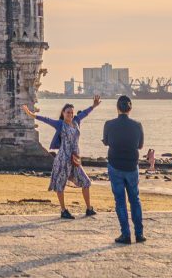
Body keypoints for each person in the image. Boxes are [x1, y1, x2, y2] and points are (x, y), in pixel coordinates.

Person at [23, 95, 101, 219]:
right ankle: (63, 210)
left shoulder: (76, 121)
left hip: (75, 159)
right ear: (63, 113)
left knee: (86, 182)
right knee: (60, 184)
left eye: (71, 112)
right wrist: (31, 114)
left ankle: (89, 209)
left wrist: (94, 105)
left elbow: (85, 113)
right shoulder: (60, 124)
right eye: (67, 112)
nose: (70, 114)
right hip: (63, 159)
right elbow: (46, 119)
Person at [102, 94, 145, 244]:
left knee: (120, 201)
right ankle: (139, 234)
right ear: (130, 108)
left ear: (117, 108)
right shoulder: (137, 125)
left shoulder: (109, 124)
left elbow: (106, 142)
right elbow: (140, 146)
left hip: (115, 165)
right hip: (132, 165)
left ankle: (125, 234)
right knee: (135, 199)